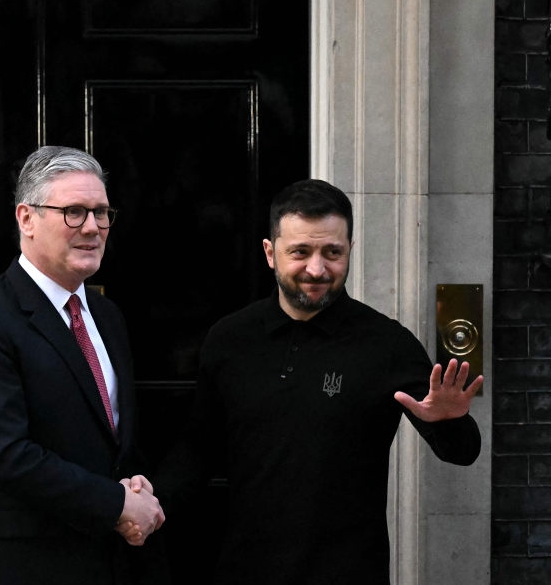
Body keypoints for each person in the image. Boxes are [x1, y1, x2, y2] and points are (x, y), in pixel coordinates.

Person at [128, 179, 482, 584]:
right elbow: (199, 449)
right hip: (245, 568)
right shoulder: (230, 339)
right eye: (300, 252)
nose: (317, 269)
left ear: (349, 250)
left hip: (349, 572)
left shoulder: (387, 344)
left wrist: (449, 421)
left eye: (333, 252)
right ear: (270, 253)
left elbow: (462, 452)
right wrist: (150, 501)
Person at [0, 146, 169, 585]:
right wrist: (116, 504)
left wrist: (137, 492)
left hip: (107, 562)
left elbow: (113, 441)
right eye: (74, 212)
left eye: (101, 213)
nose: (93, 227)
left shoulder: (107, 316)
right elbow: (5, 457)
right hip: (19, 567)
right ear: (26, 219)